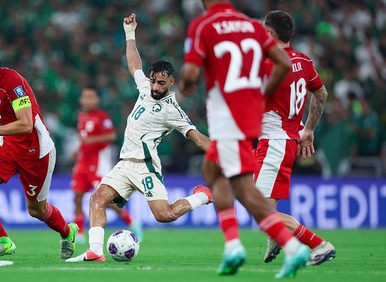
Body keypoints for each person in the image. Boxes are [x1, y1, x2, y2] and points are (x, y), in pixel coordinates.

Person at [66, 13, 213, 262]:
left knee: (163, 215)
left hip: (146, 167)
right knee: (97, 199)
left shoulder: (173, 111)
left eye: (161, 84)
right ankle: (95, 251)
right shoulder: (145, 87)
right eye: (154, 81)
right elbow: (134, 65)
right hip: (124, 163)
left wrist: (231, 156)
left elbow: (197, 138)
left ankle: (202, 196)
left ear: (172, 82)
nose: (155, 87)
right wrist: (130, 32)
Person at [179, 0, 310, 278]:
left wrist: (187, 84)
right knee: (213, 171)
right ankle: (233, 245)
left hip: (227, 116)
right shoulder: (252, 25)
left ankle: (292, 247)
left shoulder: (203, 24)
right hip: (250, 117)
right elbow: (283, 62)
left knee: (244, 190)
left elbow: (190, 72)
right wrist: (261, 93)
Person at [0, 44, 78, 261]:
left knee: (36, 210)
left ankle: (68, 233)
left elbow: (26, 125)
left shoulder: (13, 83)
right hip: (9, 146)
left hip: (36, 151)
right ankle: (3, 241)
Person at [256, 10, 335, 266]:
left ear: (269, 33)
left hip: (274, 143)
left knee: (261, 210)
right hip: (287, 141)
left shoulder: (269, 64)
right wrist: (308, 129)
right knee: (267, 206)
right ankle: (275, 237)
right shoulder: (303, 61)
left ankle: (319, 244)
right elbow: (320, 94)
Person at [71, 86, 142, 244]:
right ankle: (80, 232)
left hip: (98, 164)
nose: (87, 100)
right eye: (85, 97)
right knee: (77, 197)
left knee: (104, 200)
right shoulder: (81, 116)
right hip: (82, 162)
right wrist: (77, 150)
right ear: (81, 100)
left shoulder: (102, 117)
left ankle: (131, 222)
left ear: (96, 100)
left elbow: (111, 135)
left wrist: (92, 141)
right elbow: (84, 139)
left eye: (91, 97)